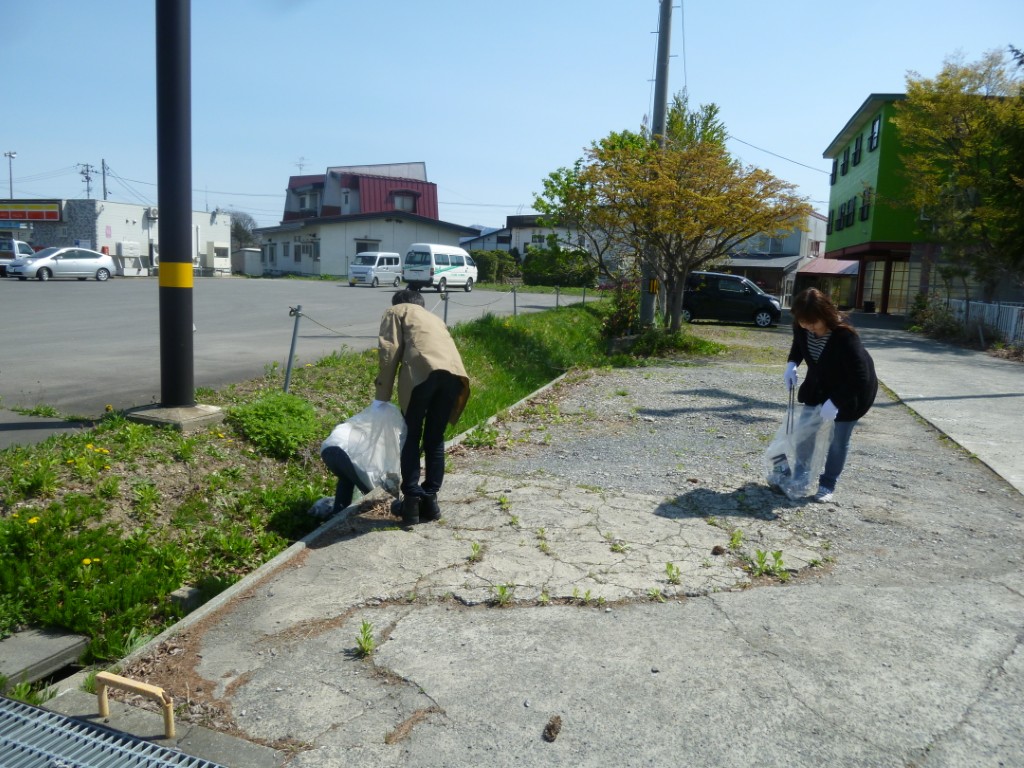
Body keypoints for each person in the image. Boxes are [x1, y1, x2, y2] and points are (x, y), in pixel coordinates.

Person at [374, 289, 470, 525]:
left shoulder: (397, 311)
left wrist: (381, 396)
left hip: (422, 375)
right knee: (435, 439)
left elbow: (389, 351)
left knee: (411, 436)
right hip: (455, 377)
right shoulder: (433, 318)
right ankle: (430, 501)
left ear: (398, 302)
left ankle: (411, 503)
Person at [783, 288, 878, 503]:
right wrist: (792, 364)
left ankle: (828, 484)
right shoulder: (801, 326)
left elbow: (860, 377)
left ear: (825, 315)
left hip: (851, 392)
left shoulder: (844, 336)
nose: (808, 327)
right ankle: (801, 478)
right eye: (803, 322)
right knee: (805, 434)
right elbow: (799, 345)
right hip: (819, 385)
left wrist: (835, 402)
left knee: (838, 441)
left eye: (813, 323)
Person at [319, 432, 371, 517]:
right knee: (370, 491)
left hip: (326, 449)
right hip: (343, 450)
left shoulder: (357, 426)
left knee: (345, 480)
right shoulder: (372, 435)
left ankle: (337, 514)